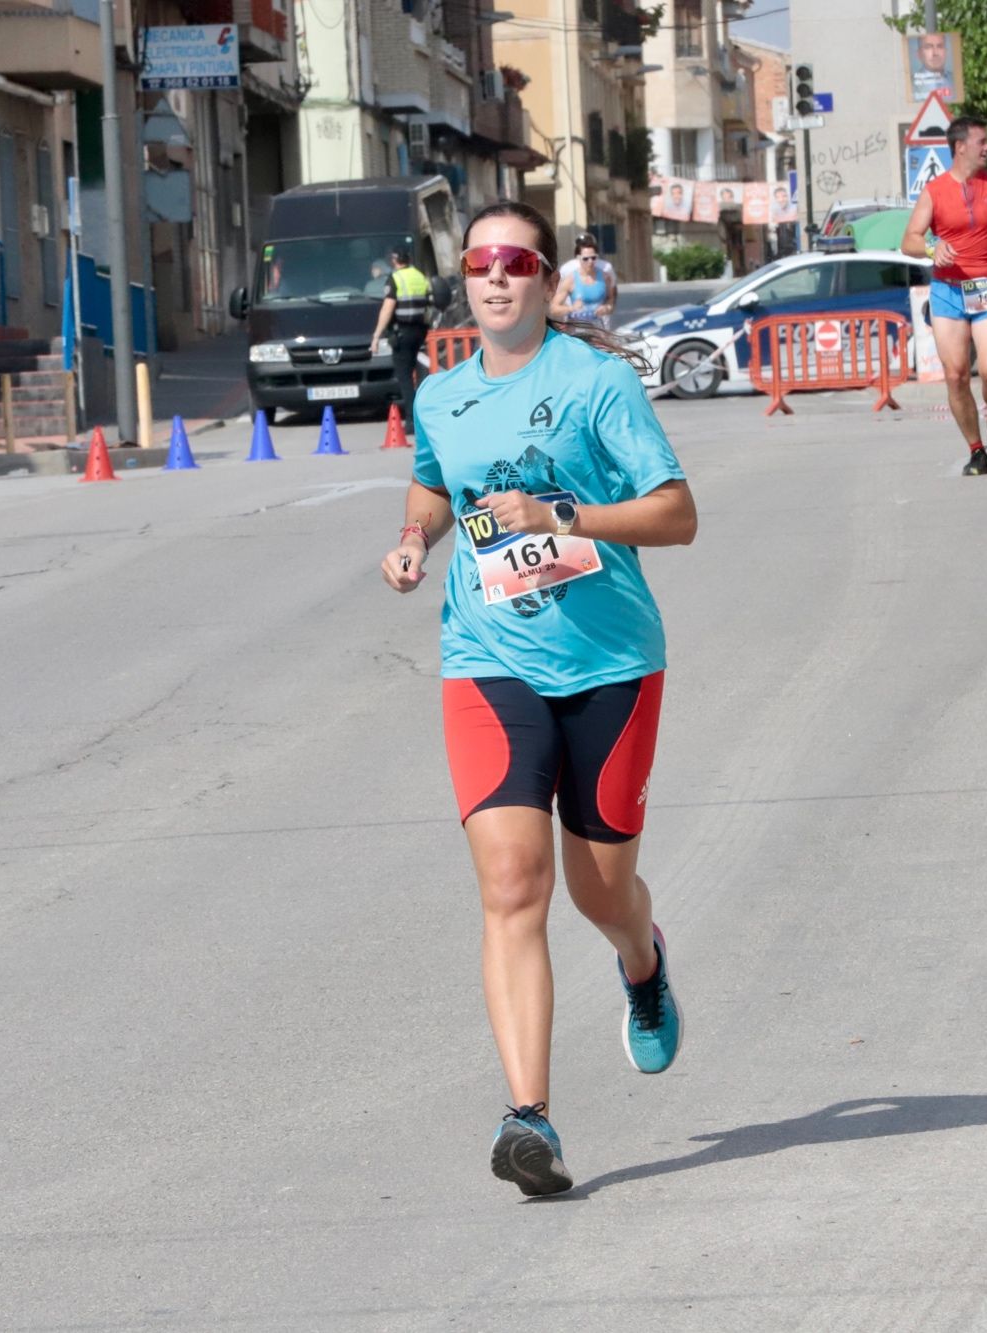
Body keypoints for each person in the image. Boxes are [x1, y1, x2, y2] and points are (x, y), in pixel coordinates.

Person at [377, 200, 696, 1199]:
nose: (495, 276)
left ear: (547, 281)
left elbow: (675, 515)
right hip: (487, 658)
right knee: (513, 885)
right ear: (463, 280)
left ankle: (641, 963)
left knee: (600, 892)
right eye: (479, 262)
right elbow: (433, 484)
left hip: (607, 661)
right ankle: (530, 1118)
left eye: (515, 260)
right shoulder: (441, 393)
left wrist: (562, 513)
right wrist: (415, 539)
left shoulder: (595, 382)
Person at [902, 114, 987, 476]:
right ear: (960, 147)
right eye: (982, 142)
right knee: (955, 376)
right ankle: (976, 450)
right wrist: (931, 249)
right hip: (947, 292)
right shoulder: (935, 191)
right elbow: (910, 240)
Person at [368, 245, 433, 434]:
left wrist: (376, 335)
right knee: (419, 376)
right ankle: (424, 416)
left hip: (402, 333)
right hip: (420, 332)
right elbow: (430, 302)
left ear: (394, 261)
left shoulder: (395, 278)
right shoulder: (420, 276)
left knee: (404, 378)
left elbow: (388, 308)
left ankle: (413, 422)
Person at [551, 236, 615, 327]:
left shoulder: (605, 277)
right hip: (577, 330)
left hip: (600, 329)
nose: (590, 261)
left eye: (593, 258)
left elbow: (611, 299)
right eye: (586, 259)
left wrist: (607, 307)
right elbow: (553, 308)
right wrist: (571, 308)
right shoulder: (571, 279)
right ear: (578, 258)